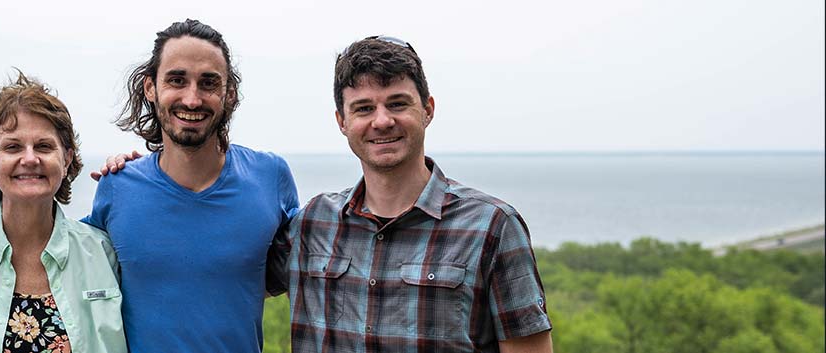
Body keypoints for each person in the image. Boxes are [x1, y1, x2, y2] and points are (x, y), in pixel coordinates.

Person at [274, 35, 553, 352]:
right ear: (342, 121)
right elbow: (224, 280)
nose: (382, 121)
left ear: (428, 109)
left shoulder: (493, 227)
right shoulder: (311, 224)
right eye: (364, 108)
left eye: (397, 103)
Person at [82, 19, 300, 352]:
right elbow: (77, 276)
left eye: (208, 83)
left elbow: (291, 271)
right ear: (150, 88)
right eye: (177, 80)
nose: (192, 99)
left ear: (229, 94)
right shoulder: (117, 187)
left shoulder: (271, 177)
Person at [0, 71, 127, 352]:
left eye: (44, 146)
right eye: (13, 147)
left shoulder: (105, 253)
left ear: (67, 158)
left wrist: (136, 176)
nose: (30, 159)